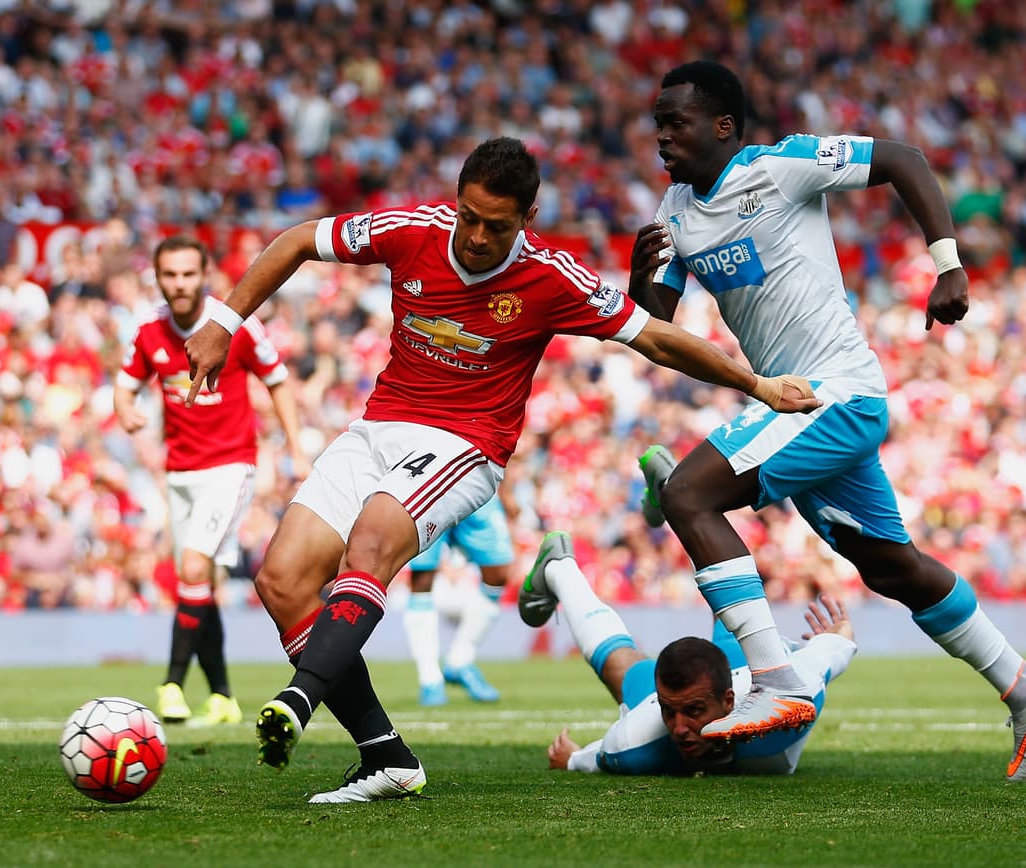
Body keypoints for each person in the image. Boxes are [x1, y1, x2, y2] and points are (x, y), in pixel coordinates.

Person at [181, 137, 821, 803]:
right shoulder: (411, 230)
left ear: (528, 217)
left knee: (369, 545)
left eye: (498, 225)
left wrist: (761, 386)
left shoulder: (551, 278)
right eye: (470, 217)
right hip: (376, 427)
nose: (479, 236)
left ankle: (299, 699)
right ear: (456, 201)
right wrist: (225, 321)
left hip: (464, 443)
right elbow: (294, 241)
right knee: (282, 582)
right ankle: (385, 758)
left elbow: (655, 336)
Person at [628, 61, 1026, 781]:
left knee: (687, 493)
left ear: (722, 126)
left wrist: (947, 265)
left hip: (836, 392)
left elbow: (903, 159)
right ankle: (1025, 684)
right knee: (889, 566)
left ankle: (776, 681)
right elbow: (659, 329)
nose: (662, 137)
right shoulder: (673, 212)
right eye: (657, 124)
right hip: (797, 404)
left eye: (675, 122)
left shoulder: (783, 166)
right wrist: (641, 279)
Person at [114, 235, 307, 727]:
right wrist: (125, 407)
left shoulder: (235, 325)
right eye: (170, 275)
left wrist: (297, 450)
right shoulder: (149, 333)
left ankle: (172, 684)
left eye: (188, 274)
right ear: (158, 279)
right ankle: (222, 696)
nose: (179, 284)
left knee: (194, 568)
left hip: (230, 466)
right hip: (179, 472)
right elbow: (126, 380)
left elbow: (278, 379)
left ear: (204, 277)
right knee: (201, 585)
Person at [519, 532, 855, 776]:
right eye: (669, 711)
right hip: (695, 691)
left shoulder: (791, 707)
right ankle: (558, 567)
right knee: (619, 664)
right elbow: (597, 756)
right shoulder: (638, 742)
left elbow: (828, 655)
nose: (679, 728)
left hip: (744, 667)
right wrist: (573, 758)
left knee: (736, 615)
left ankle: (675, 495)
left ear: (727, 702)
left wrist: (838, 637)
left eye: (694, 710)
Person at [404, 491, 513, 706]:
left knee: (498, 573)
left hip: (477, 486)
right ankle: (430, 679)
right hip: (429, 489)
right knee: (422, 578)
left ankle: (459, 661)